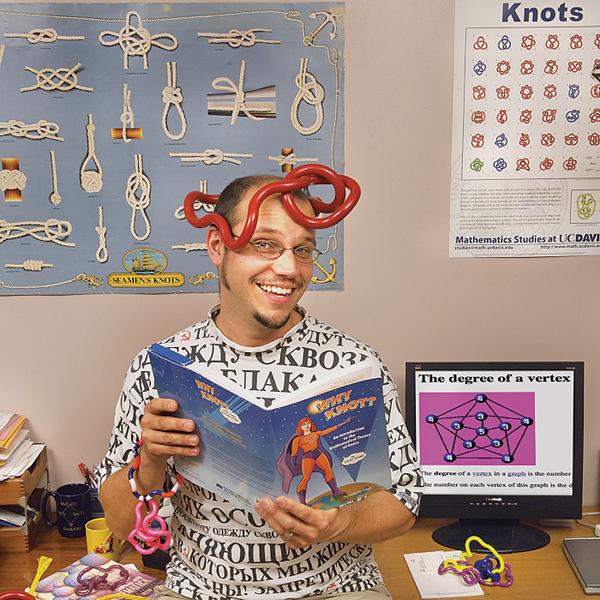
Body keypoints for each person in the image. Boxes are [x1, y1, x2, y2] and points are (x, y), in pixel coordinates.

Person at [97, 173, 424, 600]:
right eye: (265, 244)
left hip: (337, 588)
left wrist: (341, 523)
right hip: (200, 590)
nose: (288, 269)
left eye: (302, 250)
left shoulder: (356, 366)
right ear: (217, 246)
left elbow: (406, 505)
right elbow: (123, 526)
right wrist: (151, 461)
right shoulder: (159, 368)